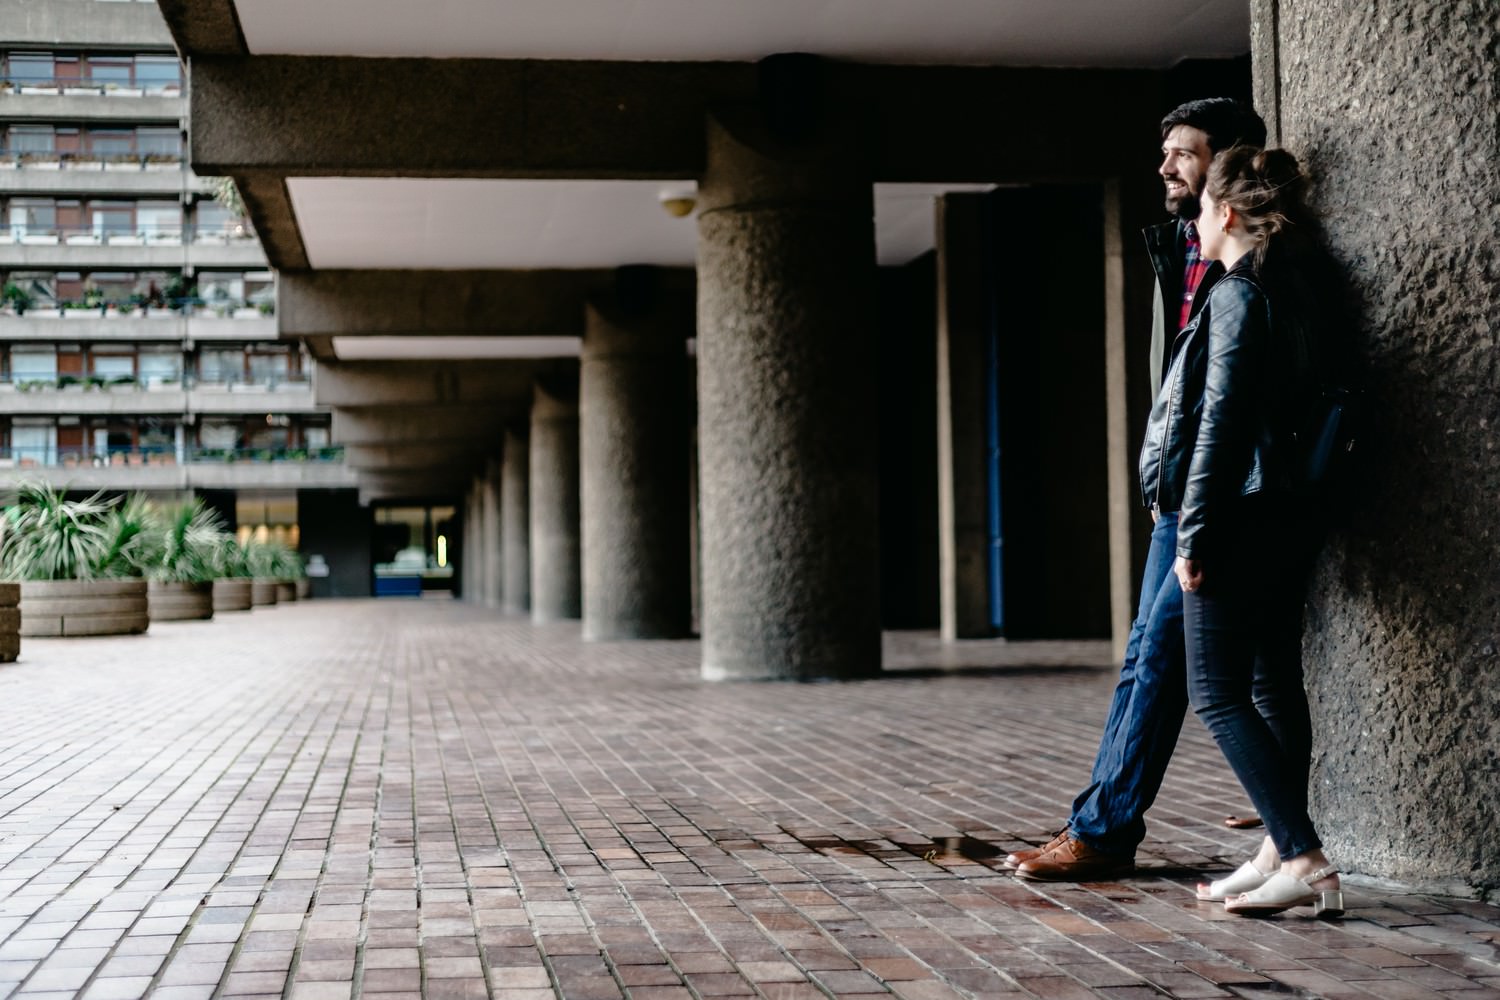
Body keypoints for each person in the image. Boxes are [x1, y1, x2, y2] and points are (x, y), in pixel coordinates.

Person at [1011, 98, 1267, 882]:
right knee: (1142, 659)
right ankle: (1099, 819)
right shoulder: (1179, 249)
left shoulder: (1253, 268)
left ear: (1225, 163)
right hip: (1175, 491)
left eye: (1182, 154)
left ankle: (1109, 829)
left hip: (1217, 492)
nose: (1164, 168)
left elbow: (1231, 395)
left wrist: (1205, 494)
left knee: (1171, 660)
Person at [1168, 146, 1342, 917]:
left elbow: (1221, 422)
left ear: (1228, 213)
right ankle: (1278, 846)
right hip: (1290, 515)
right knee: (1273, 684)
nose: (1196, 223)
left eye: (1203, 208)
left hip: (1238, 516)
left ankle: (1302, 856)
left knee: (1217, 692)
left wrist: (1193, 533)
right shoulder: (1301, 289)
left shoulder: (1239, 294)